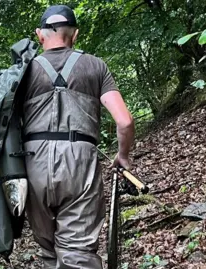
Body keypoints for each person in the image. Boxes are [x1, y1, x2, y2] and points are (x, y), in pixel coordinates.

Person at [20, 4, 135, 268]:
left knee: (48, 252)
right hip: (79, 162)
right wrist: (123, 156)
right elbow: (125, 122)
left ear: (40, 35)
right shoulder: (95, 66)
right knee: (78, 253)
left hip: (32, 163)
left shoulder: (24, 71)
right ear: (76, 34)